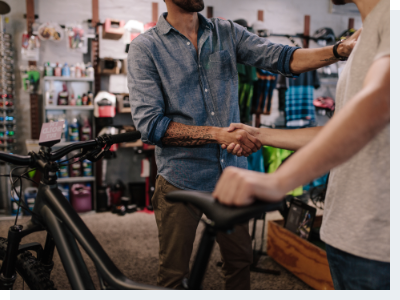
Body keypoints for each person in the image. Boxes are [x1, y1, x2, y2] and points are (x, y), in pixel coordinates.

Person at [128, 0, 358, 289]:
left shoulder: (226, 32)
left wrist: (338, 51)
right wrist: (217, 134)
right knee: (174, 274)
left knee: (239, 262)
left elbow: (282, 57)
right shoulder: (146, 48)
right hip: (180, 178)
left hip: (233, 175)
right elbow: (150, 126)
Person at [213, 0, 390, 290]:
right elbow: (336, 131)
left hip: (379, 240)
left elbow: (379, 102)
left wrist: (277, 181)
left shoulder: (390, 17)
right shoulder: (365, 34)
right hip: (344, 230)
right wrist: (259, 134)